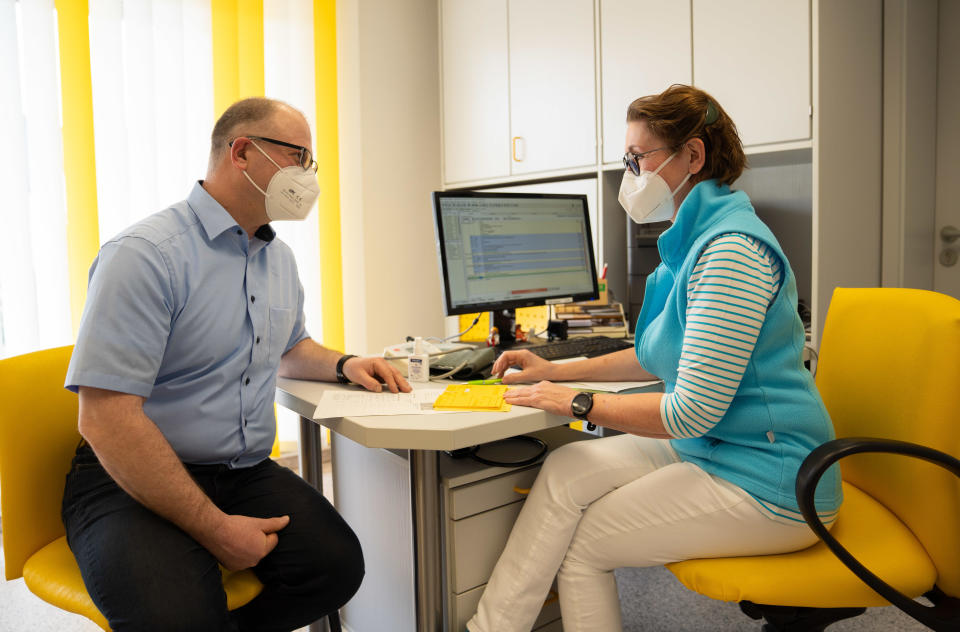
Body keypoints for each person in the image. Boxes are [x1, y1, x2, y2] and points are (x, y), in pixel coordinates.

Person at [466, 85, 842, 632]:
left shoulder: (732, 251)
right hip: (719, 449)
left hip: (775, 477)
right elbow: (653, 357)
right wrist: (554, 369)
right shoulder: (693, 241)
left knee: (587, 544)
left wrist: (577, 402)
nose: (632, 175)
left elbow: (689, 412)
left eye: (638, 159)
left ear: (693, 156)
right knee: (566, 466)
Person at [63, 97, 411, 632]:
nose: (307, 176)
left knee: (335, 569)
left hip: (240, 471)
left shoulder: (278, 258)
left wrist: (345, 363)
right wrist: (217, 530)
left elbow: (289, 348)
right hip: (130, 475)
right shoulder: (144, 256)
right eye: (299, 157)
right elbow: (106, 418)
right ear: (243, 152)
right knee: (180, 615)